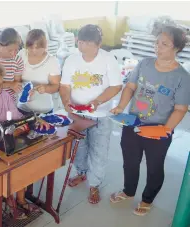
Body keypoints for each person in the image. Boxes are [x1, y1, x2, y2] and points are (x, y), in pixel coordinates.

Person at [110, 26, 190, 216]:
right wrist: (121, 107)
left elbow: (180, 109)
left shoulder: (182, 78)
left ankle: (147, 199)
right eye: (156, 43)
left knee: (154, 167)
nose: (157, 47)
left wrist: (166, 129)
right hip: (133, 123)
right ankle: (128, 191)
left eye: (164, 44)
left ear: (176, 48)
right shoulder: (144, 64)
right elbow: (130, 87)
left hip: (159, 129)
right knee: (130, 161)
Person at [0, 60, 51, 218]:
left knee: (22, 161)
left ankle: (20, 199)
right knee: (4, 167)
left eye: (1, 84)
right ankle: (5, 199)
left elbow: (16, 116)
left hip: (5, 137)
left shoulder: (5, 95)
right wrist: (5, 129)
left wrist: (32, 120)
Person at [59, 24, 122, 204]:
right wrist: (65, 102)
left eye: (88, 43)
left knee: (99, 150)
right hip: (78, 115)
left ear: (98, 44)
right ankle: (82, 173)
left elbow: (116, 86)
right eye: (80, 42)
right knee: (79, 148)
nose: (83, 47)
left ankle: (94, 184)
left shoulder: (109, 59)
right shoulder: (72, 59)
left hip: (100, 115)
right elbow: (64, 85)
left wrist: (97, 102)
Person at [17, 29, 61, 114]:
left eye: (37, 48)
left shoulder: (52, 61)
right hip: (22, 109)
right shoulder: (22, 54)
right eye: (30, 47)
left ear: (45, 46)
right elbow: (16, 79)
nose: (34, 51)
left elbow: (56, 86)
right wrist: (22, 87)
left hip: (43, 111)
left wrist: (45, 88)